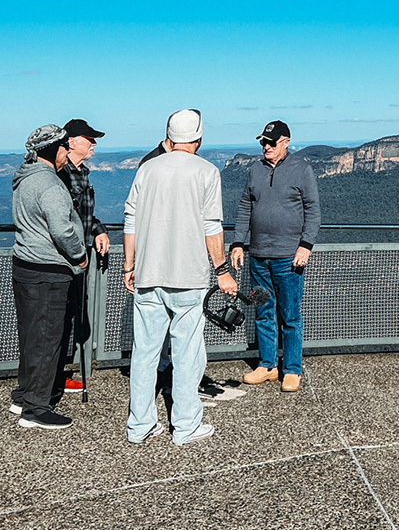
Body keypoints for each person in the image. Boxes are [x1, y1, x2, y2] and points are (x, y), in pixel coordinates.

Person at [123, 108, 237, 445]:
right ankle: (186, 426)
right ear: (199, 139)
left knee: (144, 352)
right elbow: (211, 227)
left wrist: (129, 266)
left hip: (147, 274)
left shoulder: (147, 169)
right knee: (188, 352)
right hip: (190, 278)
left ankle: (140, 425)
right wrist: (222, 271)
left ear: (169, 136)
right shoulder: (207, 172)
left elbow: (130, 220)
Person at [230, 120, 320, 393]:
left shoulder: (302, 169)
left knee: (290, 315)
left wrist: (306, 245)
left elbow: (313, 210)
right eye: (263, 142)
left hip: (288, 258)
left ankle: (292, 369)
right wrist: (237, 243)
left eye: (271, 142)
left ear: (286, 142)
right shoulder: (255, 169)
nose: (266, 146)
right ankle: (267, 365)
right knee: (263, 311)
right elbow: (246, 206)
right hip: (258, 256)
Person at [10, 125, 88, 430]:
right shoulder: (51, 185)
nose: (67, 154)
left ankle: (23, 395)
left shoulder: (23, 179)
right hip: (50, 270)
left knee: (31, 336)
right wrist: (80, 255)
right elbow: (62, 230)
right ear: (53, 149)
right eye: (64, 148)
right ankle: (36, 409)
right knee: (47, 339)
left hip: (25, 266)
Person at [57, 117, 110, 396]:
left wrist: (99, 229)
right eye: (89, 139)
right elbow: (62, 219)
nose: (94, 144)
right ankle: (52, 378)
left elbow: (84, 215)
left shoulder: (81, 172)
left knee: (70, 316)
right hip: (66, 260)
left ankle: (56, 375)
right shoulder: (62, 174)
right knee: (60, 319)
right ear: (73, 142)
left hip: (80, 258)